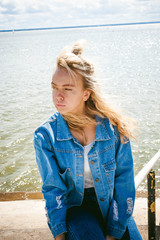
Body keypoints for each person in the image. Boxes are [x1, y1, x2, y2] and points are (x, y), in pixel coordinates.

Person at [34, 40, 143, 240]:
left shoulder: (113, 129)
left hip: (111, 204)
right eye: (54, 87)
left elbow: (124, 181)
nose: (58, 96)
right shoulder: (45, 136)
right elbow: (52, 188)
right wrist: (60, 233)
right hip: (75, 209)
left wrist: (114, 231)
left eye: (67, 89)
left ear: (86, 94)